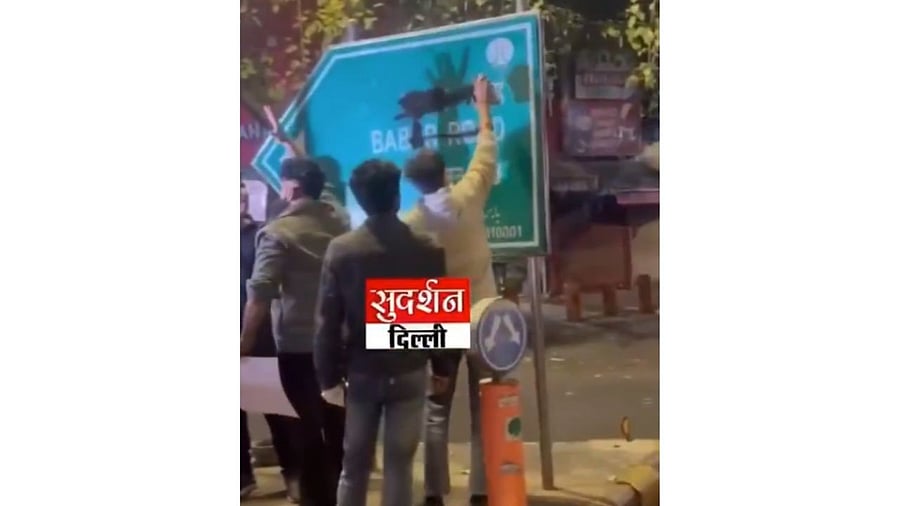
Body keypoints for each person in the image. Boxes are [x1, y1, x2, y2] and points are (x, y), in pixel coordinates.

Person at [313, 159, 456, 506]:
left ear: (360, 200)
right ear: (396, 196)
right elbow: (435, 316)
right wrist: (442, 368)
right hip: (409, 368)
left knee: (355, 465)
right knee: (399, 466)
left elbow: (327, 322)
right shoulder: (428, 248)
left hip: (362, 370)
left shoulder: (344, 250)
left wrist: (328, 379)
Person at [402, 74, 498, 506]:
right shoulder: (469, 195)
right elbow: (485, 152)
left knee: (436, 409)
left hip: (437, 317)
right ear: (445, 174)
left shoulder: (408, 224)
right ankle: (480, 491)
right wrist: (481, 107)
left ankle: (434, 494)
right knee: (485, 408)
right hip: (484, 318)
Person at [241, 160, 349, 506]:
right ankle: (339, 490)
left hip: (296, 347)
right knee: (336, 423)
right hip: (338, 342)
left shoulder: (277, 233)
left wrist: (243, 344)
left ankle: (316, 496)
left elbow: (260, 293)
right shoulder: (340, 223)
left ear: (292, 189)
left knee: (303, 430)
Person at [240, 181, 306, 502]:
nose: (239, 197)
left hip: (262, 334)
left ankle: (294, 475)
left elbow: (265, 290)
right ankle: (242, 477)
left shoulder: (263, 234)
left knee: (277, 411)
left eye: (241, 191)